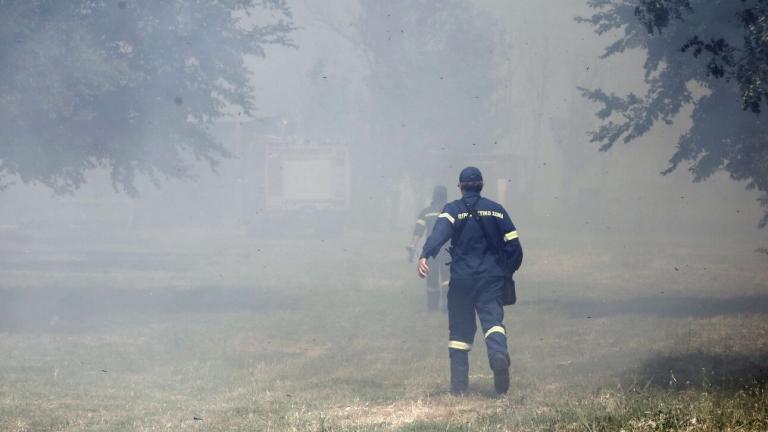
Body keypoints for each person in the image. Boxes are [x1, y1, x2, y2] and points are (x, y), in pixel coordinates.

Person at [417, 167, 523, 395]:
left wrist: (425, 254)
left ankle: (458, 388)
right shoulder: (497, 210)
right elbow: (515, 247)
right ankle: (497, 356)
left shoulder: (452, 210)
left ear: (460, 186)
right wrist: (506, 271)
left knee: (459, 333)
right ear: (482, 184)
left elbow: (439, 234)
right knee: (493, 322)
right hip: (491, 278)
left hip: (462, 280)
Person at [407, 185, 450, 312]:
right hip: (448, 250)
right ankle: (446, 306)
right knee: (447, 278)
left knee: (431, 278)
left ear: (433, 196)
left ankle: (432, 307)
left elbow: (418, 231)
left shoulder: (426, 212)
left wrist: (413, 246)